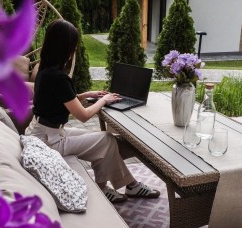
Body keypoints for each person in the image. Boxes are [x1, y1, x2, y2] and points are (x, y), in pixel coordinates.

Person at [25, 19, 159, 203]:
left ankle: (125, 186)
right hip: (49, 142)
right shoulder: (58, 77)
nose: (75, 50)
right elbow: (84, 116)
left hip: (42, 132)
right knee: (106, 139)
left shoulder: (44, 70)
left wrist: (86, 94)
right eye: (74, 46)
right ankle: (125, 186)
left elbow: (57, 100)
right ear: (66, 48)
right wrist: (103, 100)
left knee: (102, 141)